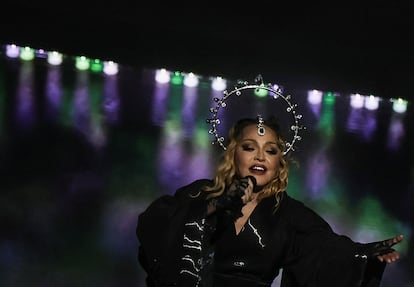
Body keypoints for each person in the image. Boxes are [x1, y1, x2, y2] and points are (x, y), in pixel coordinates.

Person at [136, 114, 403, 287]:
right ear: (234, 154)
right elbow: (160, 226)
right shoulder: (201, 194)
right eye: (249, 147)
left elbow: (330, 251)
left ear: (279, 162)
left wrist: (364, 254)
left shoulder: (290, 213)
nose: (260, 157)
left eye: (270, 150)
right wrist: (217, 206)